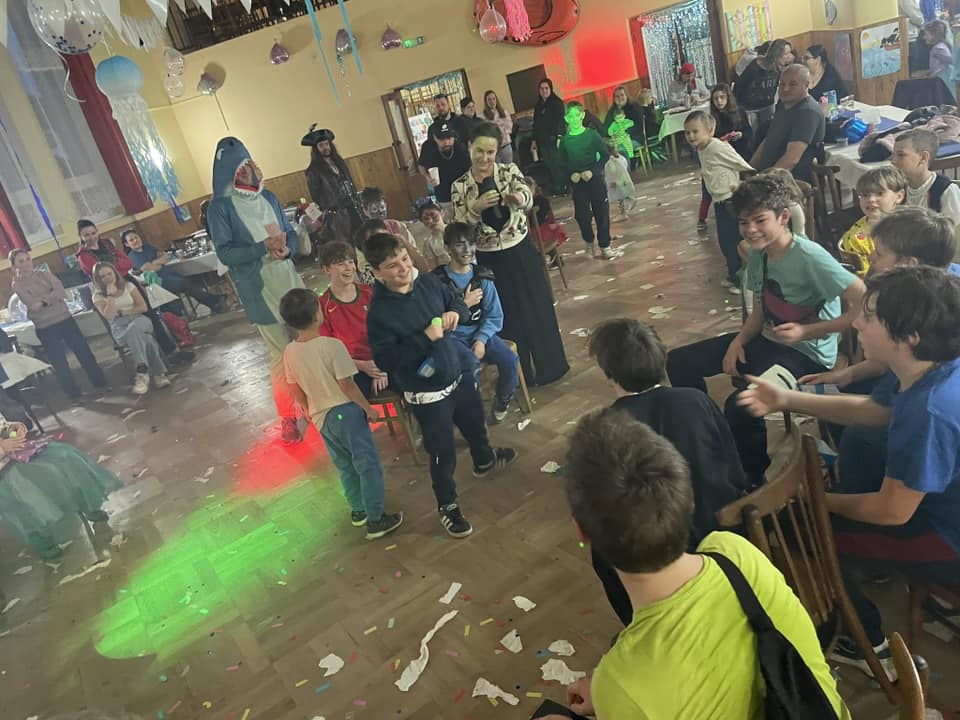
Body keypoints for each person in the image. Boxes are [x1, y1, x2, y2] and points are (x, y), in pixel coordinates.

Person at [540, 407, 848, 720]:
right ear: (688, 500)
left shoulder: (620, 683)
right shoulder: (733, 551)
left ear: (582, 532)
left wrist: (613, 697)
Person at [738, 266, 960, 680]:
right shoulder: (932, 367)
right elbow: (876, 411)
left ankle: (864, 639)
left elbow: (892, 511)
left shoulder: (930, 409)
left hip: (949, 539)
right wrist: (787, 399)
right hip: (939, 508)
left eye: (870, 316)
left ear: (909, 336)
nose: (856, 323)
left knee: (796, 530)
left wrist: (814, 500)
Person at [666, 175, 864, 486]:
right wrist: (739, 340)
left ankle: (752, 479)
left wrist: (806, 333)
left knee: (741, 406)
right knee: (679, 362)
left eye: (760, 220)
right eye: (744, 222)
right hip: (768, 341)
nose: (751, 229)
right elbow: (760, 311)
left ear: (783, 217)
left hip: (807, 355)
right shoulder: (759, 253)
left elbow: (862, 304)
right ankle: (712, 440)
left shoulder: (809, 256)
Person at [584, 319, 749, 625]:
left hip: (661, 556)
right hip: (725, 532)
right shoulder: (696, 399)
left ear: (605, 372)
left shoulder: (604, 429)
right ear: (661, 359)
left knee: (602, 553)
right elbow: (735, 468)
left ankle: (642, 622)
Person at [363, 232, 516, 538]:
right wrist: (425, 338)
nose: (403, 268)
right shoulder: (380, 312)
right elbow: (387, 359)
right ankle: (447, 504)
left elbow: (457, 303)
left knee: (475, 423)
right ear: (376, 273)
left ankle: (484, 460)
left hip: (456, 371)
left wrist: (454, 312)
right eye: (393, 266)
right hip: (426, 392)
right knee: (441, 451)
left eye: (404, 259)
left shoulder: (428, 282)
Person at [800, 207, 960, 495]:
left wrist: (819, 503)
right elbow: (894, 354)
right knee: (846, 397)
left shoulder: (928, 315)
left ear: (909, 264)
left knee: (858, 438)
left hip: (931, 411)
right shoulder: (931, 289)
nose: (871, 258)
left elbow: (884, 406)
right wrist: (848, 374)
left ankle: (860, 489)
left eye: (880, 253)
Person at [279, 287, 403, 540]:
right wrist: (368, 409)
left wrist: (308, 411)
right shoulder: (332, 346)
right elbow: (347, 384)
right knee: (367, 464)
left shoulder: (290, 351)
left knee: (345, 465)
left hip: (321, 417)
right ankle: (376, 520)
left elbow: (293, 387)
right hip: (345, 412)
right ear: (317, 314)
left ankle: (358, 511)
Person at [452, 121, 569, 386]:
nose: (485, 158)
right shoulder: (460, 186)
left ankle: (551, 367)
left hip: (521, 251)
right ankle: (520, 373)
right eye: (479, 151)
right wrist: (475, 209)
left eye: (490, 152)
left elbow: (528, 194)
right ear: (469, 148)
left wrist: (520, 199)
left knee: (537, 308)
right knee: (506, 316)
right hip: (489, 258)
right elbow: (460, 230)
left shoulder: (509, 171)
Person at [208, 136, 306, 444]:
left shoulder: (269, 196)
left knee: (307, 343)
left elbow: (289, 232)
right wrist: (262, 248)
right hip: (259, 289)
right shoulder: (220, 208)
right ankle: (288, 417)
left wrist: (288, 249)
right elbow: (225, 253)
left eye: (250, 165)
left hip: (288, 279)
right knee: (280, 355)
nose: (250, 171)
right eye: (242, 167)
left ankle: (315, 401)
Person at [0, 415, 122, 560]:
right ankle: (41, 540)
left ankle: (87, 504)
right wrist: (2, 447)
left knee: (66, 459)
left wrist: (14, 429)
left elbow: (4, 427)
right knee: (23, 495)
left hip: (20, 454)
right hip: (3, 470)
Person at [433, 222, 519, 424]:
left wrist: (481, 339)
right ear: (447, 248)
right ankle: (471, 415)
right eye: (459, 244)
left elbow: (494, 315)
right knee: (470, 366)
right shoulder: (437, 281)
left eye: (471, 243)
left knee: (510, 360)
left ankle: (503, 400)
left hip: (480, 331)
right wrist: (462, 305)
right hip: (452, 337)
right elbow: (436, 319)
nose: (467, 250)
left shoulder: (482, 277)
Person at [9, 249, 108, 400]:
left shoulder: (44, 274)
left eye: (28, 259)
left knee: (84, 352)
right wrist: (50, 296)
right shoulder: (17, 285)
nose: (27, 263)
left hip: (65, 318)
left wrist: (43, 301)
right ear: (14, 266)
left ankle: (100, 383)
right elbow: (32, 305)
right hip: (45, 326)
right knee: (59, 362)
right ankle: (73, 394)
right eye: (21, 261)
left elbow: (60, 291)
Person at [684, 111, 754, 291]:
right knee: (724, 241)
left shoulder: (716, 146)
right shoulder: (701, 149)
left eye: (695, 131)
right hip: (719, 200)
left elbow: (738, 162)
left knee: (733, 240)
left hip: (730, 198)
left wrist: (752, 175)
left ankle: (741, 279)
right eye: (687, 132)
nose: (691, 136)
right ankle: (733, 274)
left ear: (710, 130)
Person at [317, 241, 385, 399]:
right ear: (326, 269)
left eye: (350, 262)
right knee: (350, 396)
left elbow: (388, 330)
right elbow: (328, 352)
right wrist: (362, 366)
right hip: (351, 366)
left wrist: (381, 366)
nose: (348, 268)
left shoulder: (370, 293)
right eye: (341, 264)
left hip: (382, 357)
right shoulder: (323, 306)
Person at [92, 263, 169, 395]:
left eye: (109, 274)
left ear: (115, 273)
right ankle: (159, 374)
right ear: (98, 280)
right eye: (103, 276)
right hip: (119, 327)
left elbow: (143, 307)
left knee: (135, 329)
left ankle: (142, 373)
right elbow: (109, 316)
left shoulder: (128, 286)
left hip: (139, 319)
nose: (107, 278)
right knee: (145, 338)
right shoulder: (98, 296)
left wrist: (122, 312)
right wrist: (110, 296)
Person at [750, 64, 825, 183]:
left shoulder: (807, 111)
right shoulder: (783, 105)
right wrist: (749, 170)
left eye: (793, 84)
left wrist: (762, 181)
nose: (785, 89)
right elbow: (768, 141)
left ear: (806, 85)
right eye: (782, 84)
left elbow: (792, 159)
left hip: (790, 182)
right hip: (767, 175)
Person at [120, 230, 227, 314]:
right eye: (131, 240)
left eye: (136, 237)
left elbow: (166, 256)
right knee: (184, 283)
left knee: (188, 281)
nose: (135, 240)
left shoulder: (147, 247)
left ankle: (214, 302)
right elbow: (148, 268)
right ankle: (214, 301)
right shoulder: (132, 256)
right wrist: (157, 263)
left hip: (168, 273)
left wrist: (154, 263)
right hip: (158, 282)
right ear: (127, 244)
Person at [558, 101, 613, 259]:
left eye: (577, 115)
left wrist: (593, 171)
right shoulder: (565, 141)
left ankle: (605, 245)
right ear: (566, 118)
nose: (574, 119)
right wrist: (571, 175)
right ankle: (589, 241)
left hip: (594, 180)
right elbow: (561, 163)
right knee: (582, 215)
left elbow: (605, 155)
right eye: (570, 116)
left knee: (601, 212)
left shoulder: (592, 135)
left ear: (582, 115)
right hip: (578, 183)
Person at [839, 167, 908, 275]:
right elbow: (868, 278)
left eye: (879, 193)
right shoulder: (856, 239)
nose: (871, 200)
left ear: (899, 196)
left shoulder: (909, 225)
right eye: (865, 195)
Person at [302, 125, 364, 246]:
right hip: (337, 216)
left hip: (353, 207)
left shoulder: (339, 162)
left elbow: (351, 183)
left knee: (362, 238)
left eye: (326, 144)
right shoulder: (313, 171)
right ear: (316, 149)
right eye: (321, 145)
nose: (325, 148)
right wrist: (330, 207)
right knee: (345, 245)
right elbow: (316, 196)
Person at [891, 128, 960, 226]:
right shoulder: (896, 187)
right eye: (893, 155)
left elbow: (953, 232)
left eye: (901, 155)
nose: (893, 161)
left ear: (923, 157)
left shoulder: (945, 191)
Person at [734, 39, 792, 133]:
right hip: (749, 107)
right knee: (753, 133)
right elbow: (739, 86)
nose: (789, 56)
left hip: (768, 106)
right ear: (777, 54)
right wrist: (738, 108)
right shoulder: (755, 67)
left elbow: (777, 88)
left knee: (769, 132)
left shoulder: (779, 68)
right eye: (786, 54)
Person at [417, 122, 472, 219]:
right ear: (434, 137)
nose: (446, 142)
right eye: (441, 139)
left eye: (449, 138)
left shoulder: (460, 147)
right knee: (449, 220)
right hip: (442, 192)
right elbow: (421, 165)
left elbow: (470, 169)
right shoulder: (428, 147)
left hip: (462, 190)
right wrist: (427, 177)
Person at [532, 78, 568, 195]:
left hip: (555, 140)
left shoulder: (557, 103)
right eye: (542, 89)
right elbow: (535, 124)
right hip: (543, 142)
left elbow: (561, 122)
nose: (544, 91)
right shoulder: (538, 105)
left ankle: (564, 187)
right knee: (549, 165)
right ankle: (557, 187)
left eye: (546, 88)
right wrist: (534, 140)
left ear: (550, 89)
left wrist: (559, 137)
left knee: (558, 164)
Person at [913, 20, 957, 100]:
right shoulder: (939, 47)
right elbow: (937, 67)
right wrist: (925, 72)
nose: (924, 37)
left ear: (934, 35)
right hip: (941, 80)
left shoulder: (938, 48)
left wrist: (929, 75)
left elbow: (951, 61)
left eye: (926, 35)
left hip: (943, 81)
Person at [603, 86, 649, 158]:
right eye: (617, 96)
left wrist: (625, 132)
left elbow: (639, 125)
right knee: (606, 150)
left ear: (626, 96)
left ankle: (628, 165)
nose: (620, 98)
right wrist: (613, 136)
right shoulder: (612, 111)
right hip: (616, 141)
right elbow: (606, 128)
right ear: (614, 99)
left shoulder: (634, 107)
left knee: (620, 150)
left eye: (622, 95)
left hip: (634, 139)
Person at [709, 83, 753, 159]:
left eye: (722, 97)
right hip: (724, 152)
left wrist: (741, 134)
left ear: (728, 97)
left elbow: (749, 132)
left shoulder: (740, 111)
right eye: (715, 99)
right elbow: (712, 139)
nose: (719, 101)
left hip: (741, 149)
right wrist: (722, 139)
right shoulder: (712, 118)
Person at [605, 140, 637, 221]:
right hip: (624, 180)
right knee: (624, 194)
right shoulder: (620, 157)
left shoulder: (611, 161)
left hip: (618, 182)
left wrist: (612, 181)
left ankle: (622, 213)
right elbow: (625, 165)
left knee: (619, 197)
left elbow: (612, 171)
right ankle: (629, 202)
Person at [415, 201, 451, 269]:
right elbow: (433, 268)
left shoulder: (458, 229)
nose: (430, 221)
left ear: (442, 213)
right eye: (426, 219)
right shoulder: (428, 243)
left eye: (434, 216)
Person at [482, 90, 514, 164]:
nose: (492, 101)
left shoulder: (503, 112)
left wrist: (499, 129)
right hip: (494, 149)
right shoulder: (484, 117)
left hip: (506, 146)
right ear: (486, 102)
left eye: (493, 99)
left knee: (509, 168)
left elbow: (509, 127)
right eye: (489, 99)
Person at [902, 0, 929, 72]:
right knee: (912, 69)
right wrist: (922, 21)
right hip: (909, 36)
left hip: (904, 36)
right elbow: (917, 18)